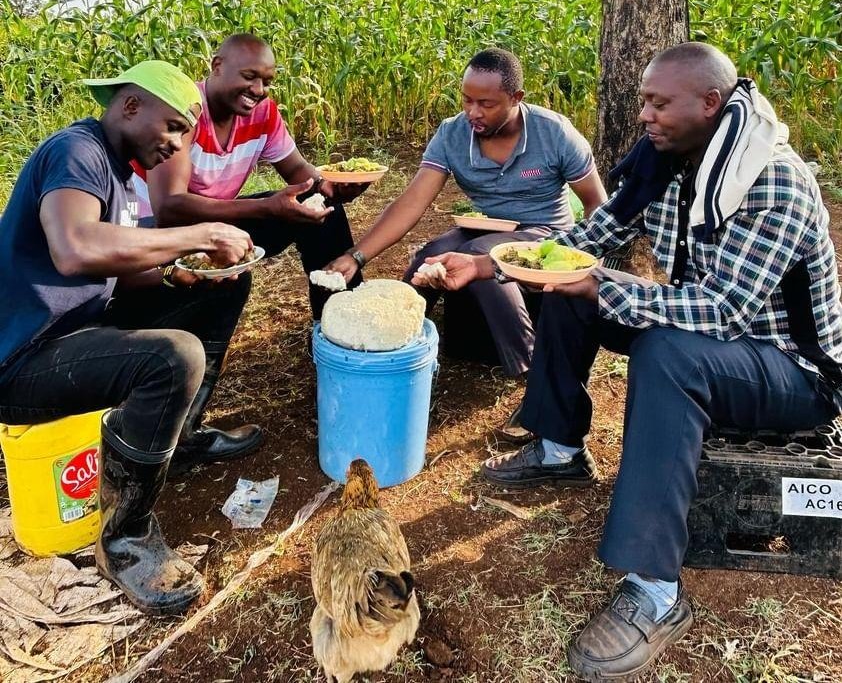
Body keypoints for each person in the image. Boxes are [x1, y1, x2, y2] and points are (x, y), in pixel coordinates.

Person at [411, 42, 842, 680]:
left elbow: (724, 311)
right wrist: (490, 264)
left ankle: (656, 590)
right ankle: (559, 449)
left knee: (666, 352)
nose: (645, 115)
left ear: (710, 103)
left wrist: (601, 287)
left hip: (790, 370)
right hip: (714, 338)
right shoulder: (665, 160)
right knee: (563, 283)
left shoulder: (771, 179)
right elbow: (588, 239)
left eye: (659, 103)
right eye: (644, 101)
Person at [0, 60, 261, 615]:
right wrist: (199, 233)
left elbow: (114, 268)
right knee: (172, 358)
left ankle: (180, 438)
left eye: (185, 134)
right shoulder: (77, 151)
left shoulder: (120, 175)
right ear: (131, 105)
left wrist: (175, 273)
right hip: (23, 356)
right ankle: (124, 539)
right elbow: (75, 248)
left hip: (77, 328)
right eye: (173, 127)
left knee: (223, 289)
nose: (177, 145)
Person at [327, 47, 606, 386]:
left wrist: (584, 263)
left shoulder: (554, 133)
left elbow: (595, 202)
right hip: (486, 227)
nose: (473, 112)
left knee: (480, 255)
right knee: (431, 256)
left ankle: (530, 366)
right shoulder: (452, 134)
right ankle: (392, 342)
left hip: (545, 233)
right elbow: (411, 202)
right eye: (466, 100)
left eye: (486, 104)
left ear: (516, 98)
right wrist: (357, 256)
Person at [132, 33, 366, 319]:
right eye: (249, 76)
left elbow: (297, 171)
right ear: (217, 66)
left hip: (217, 221)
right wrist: (266, 207)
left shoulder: (262, 113)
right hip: (157, 233)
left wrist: (326, 186)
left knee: (324, 208)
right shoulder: (186, 109)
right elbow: (168, 208)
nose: (258, 89)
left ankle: (338, 321)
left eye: (267, 81)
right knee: (226, 277)